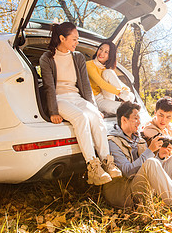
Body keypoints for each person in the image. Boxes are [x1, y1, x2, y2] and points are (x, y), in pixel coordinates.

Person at [39, 22, 121, 186]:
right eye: (74, 39)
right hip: (59, 98)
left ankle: (106, 161)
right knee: (81, 118)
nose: (77, 43)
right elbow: (48, 87)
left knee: (97, 119)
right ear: (62, 38)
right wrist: (53, 111)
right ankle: (93, 167)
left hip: (77, 97)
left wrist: (95, 109)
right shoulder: (47, 58)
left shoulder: (78, 57)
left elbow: (85, 86)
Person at [86, 41, 135, 115]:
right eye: (100, 49)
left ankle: (125, 99)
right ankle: (125, 100)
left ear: (110, 56)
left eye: (106, 52)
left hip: (106, 96)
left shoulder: (106, 69)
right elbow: (102, 84)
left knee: (108, 72)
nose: (101, 53)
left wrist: (126, 91)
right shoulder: (89, 65)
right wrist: (120, 93)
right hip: (96, 99)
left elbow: (121, 85)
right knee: (125, 109)